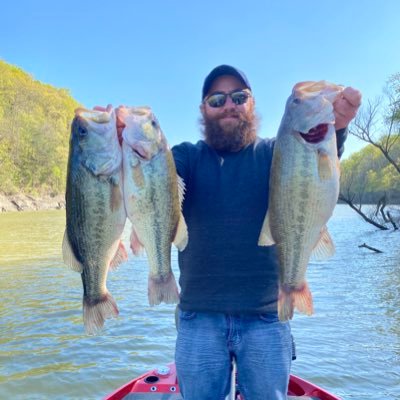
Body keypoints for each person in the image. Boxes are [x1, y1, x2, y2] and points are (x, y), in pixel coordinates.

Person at [99, 65, 360, 399]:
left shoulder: (275, 152)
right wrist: (116, 143)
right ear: (203, 109)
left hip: (268, 317)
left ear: (251, 104)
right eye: (217, 99)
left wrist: (335, 129)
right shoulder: (185, 157)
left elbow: (313, 169)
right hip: (199, 318)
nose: (228, 105)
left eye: (239, 97)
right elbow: (150, 181)